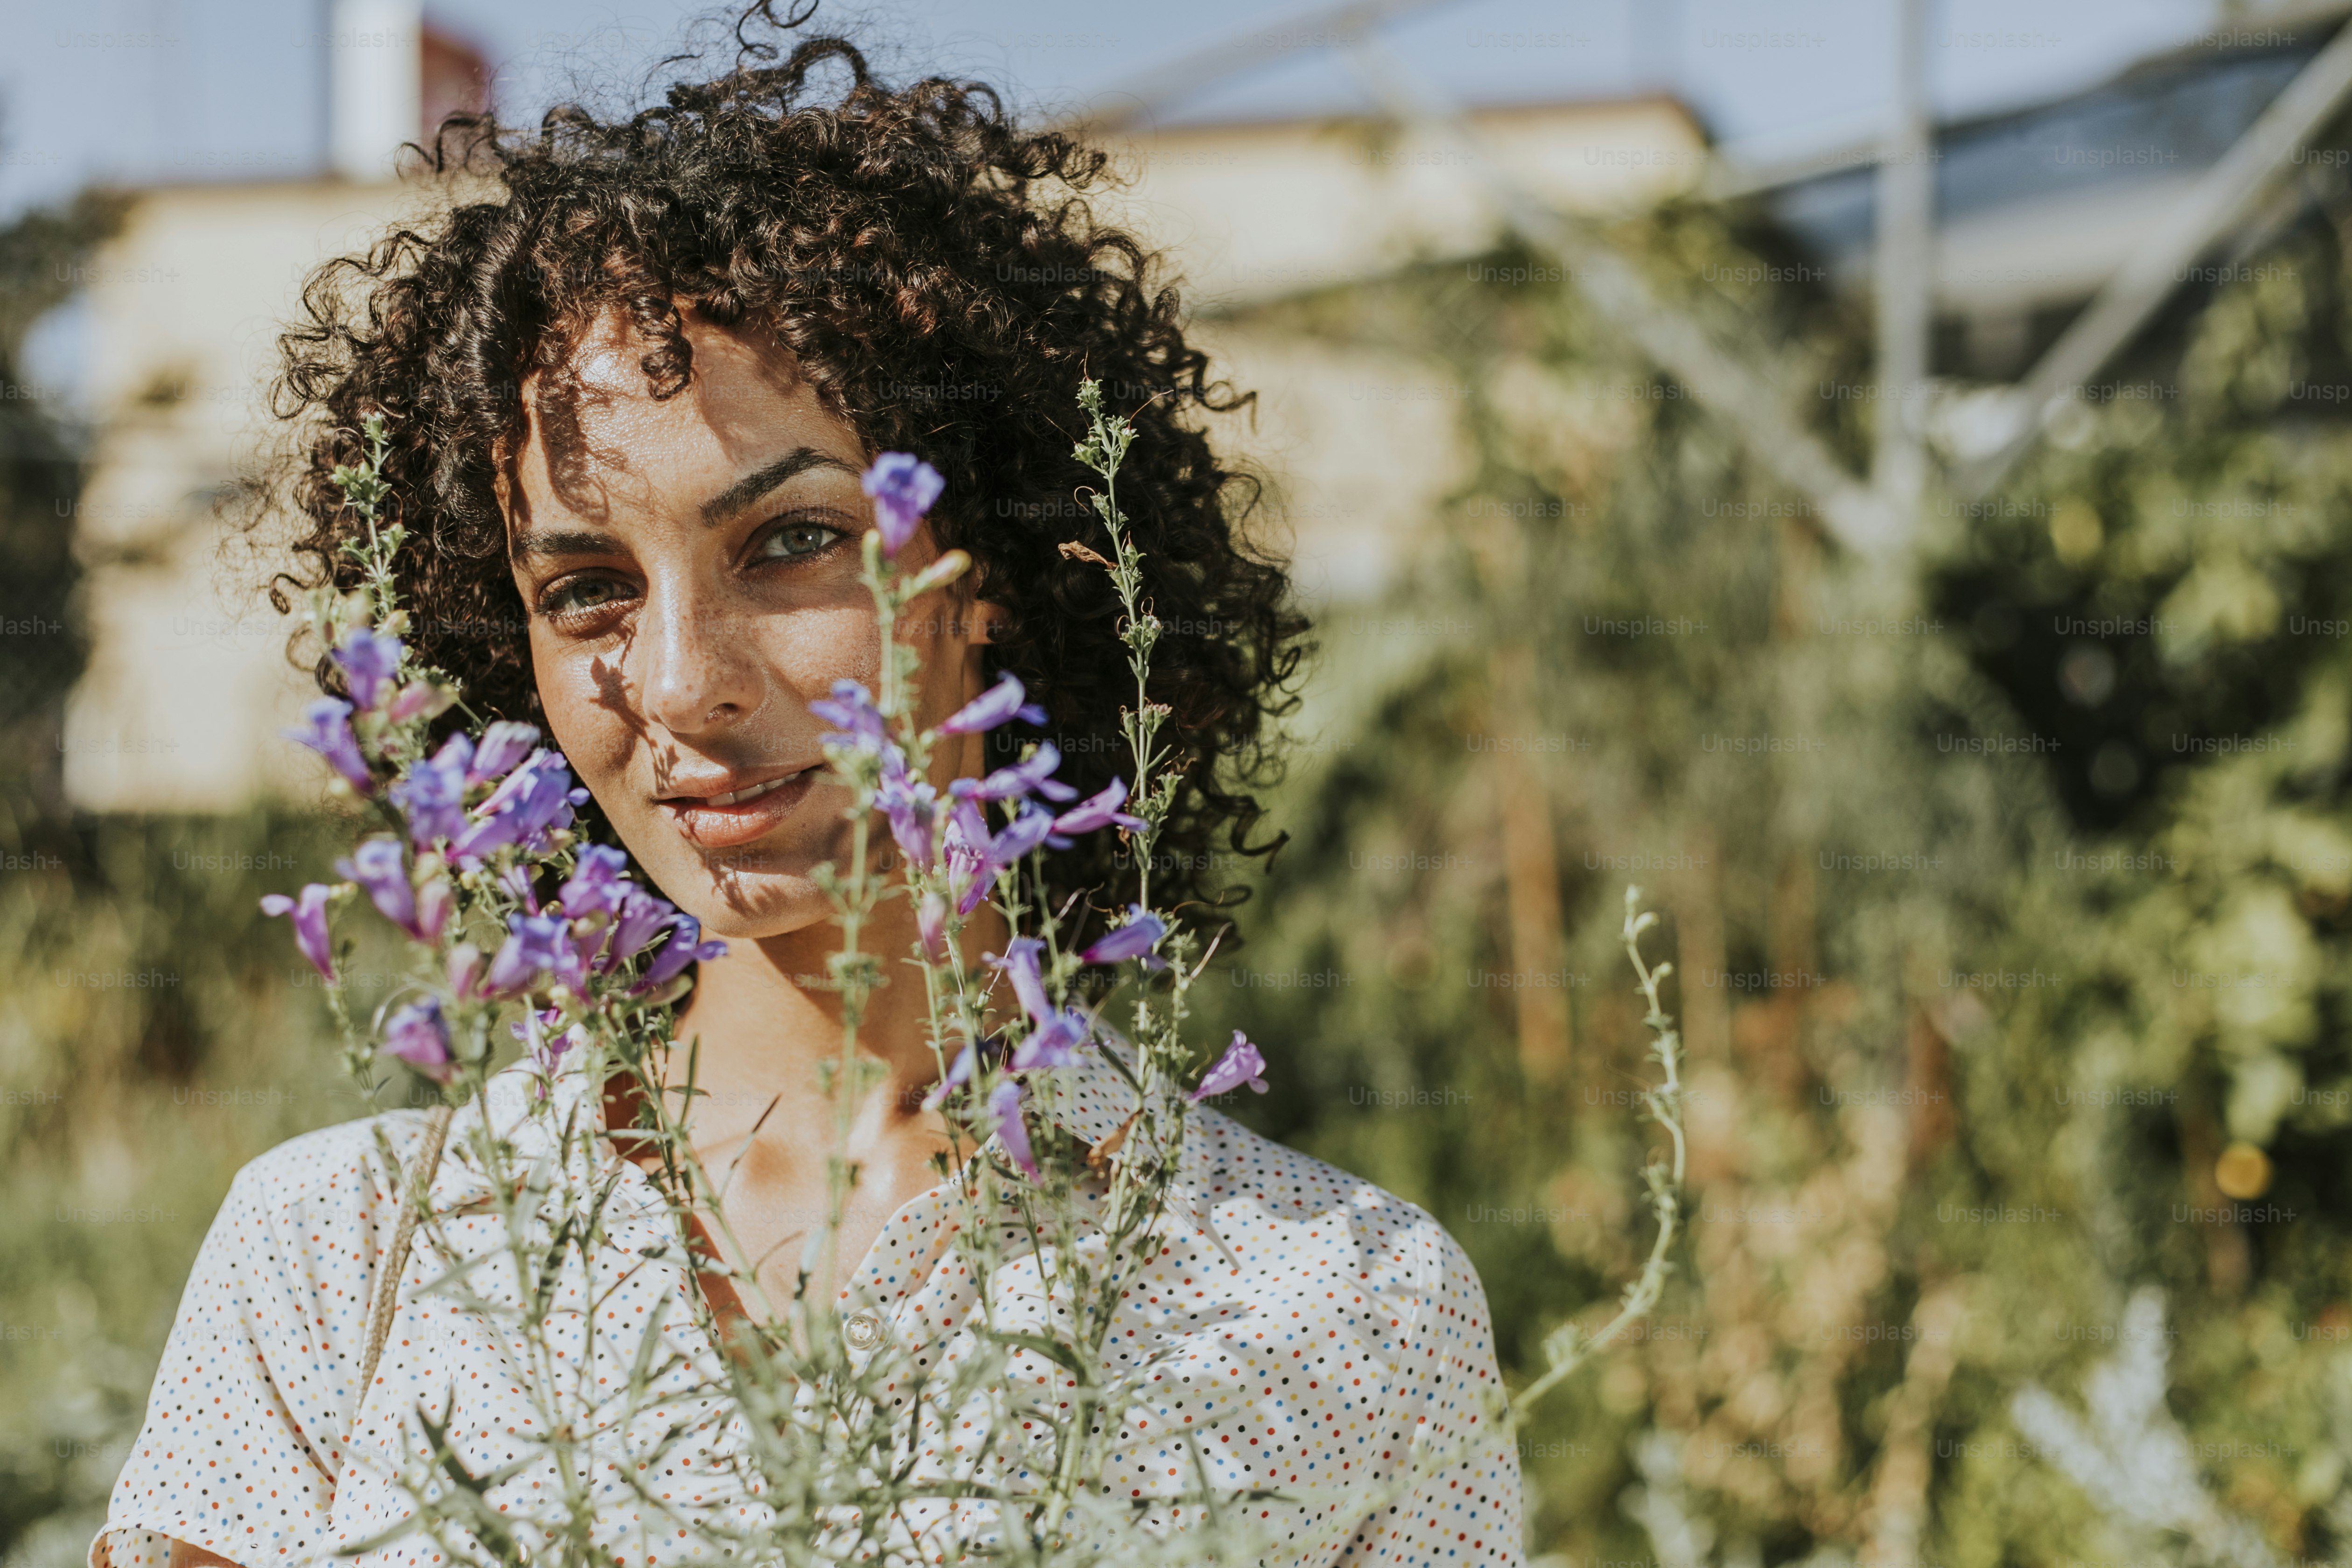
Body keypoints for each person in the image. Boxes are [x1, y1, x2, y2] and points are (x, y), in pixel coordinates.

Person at [93, 12, 1521, 1565]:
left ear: (998, 578)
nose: (683, 679)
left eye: (791, 542)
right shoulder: (337, 1257)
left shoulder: (1348, 1310)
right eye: (585, 589)